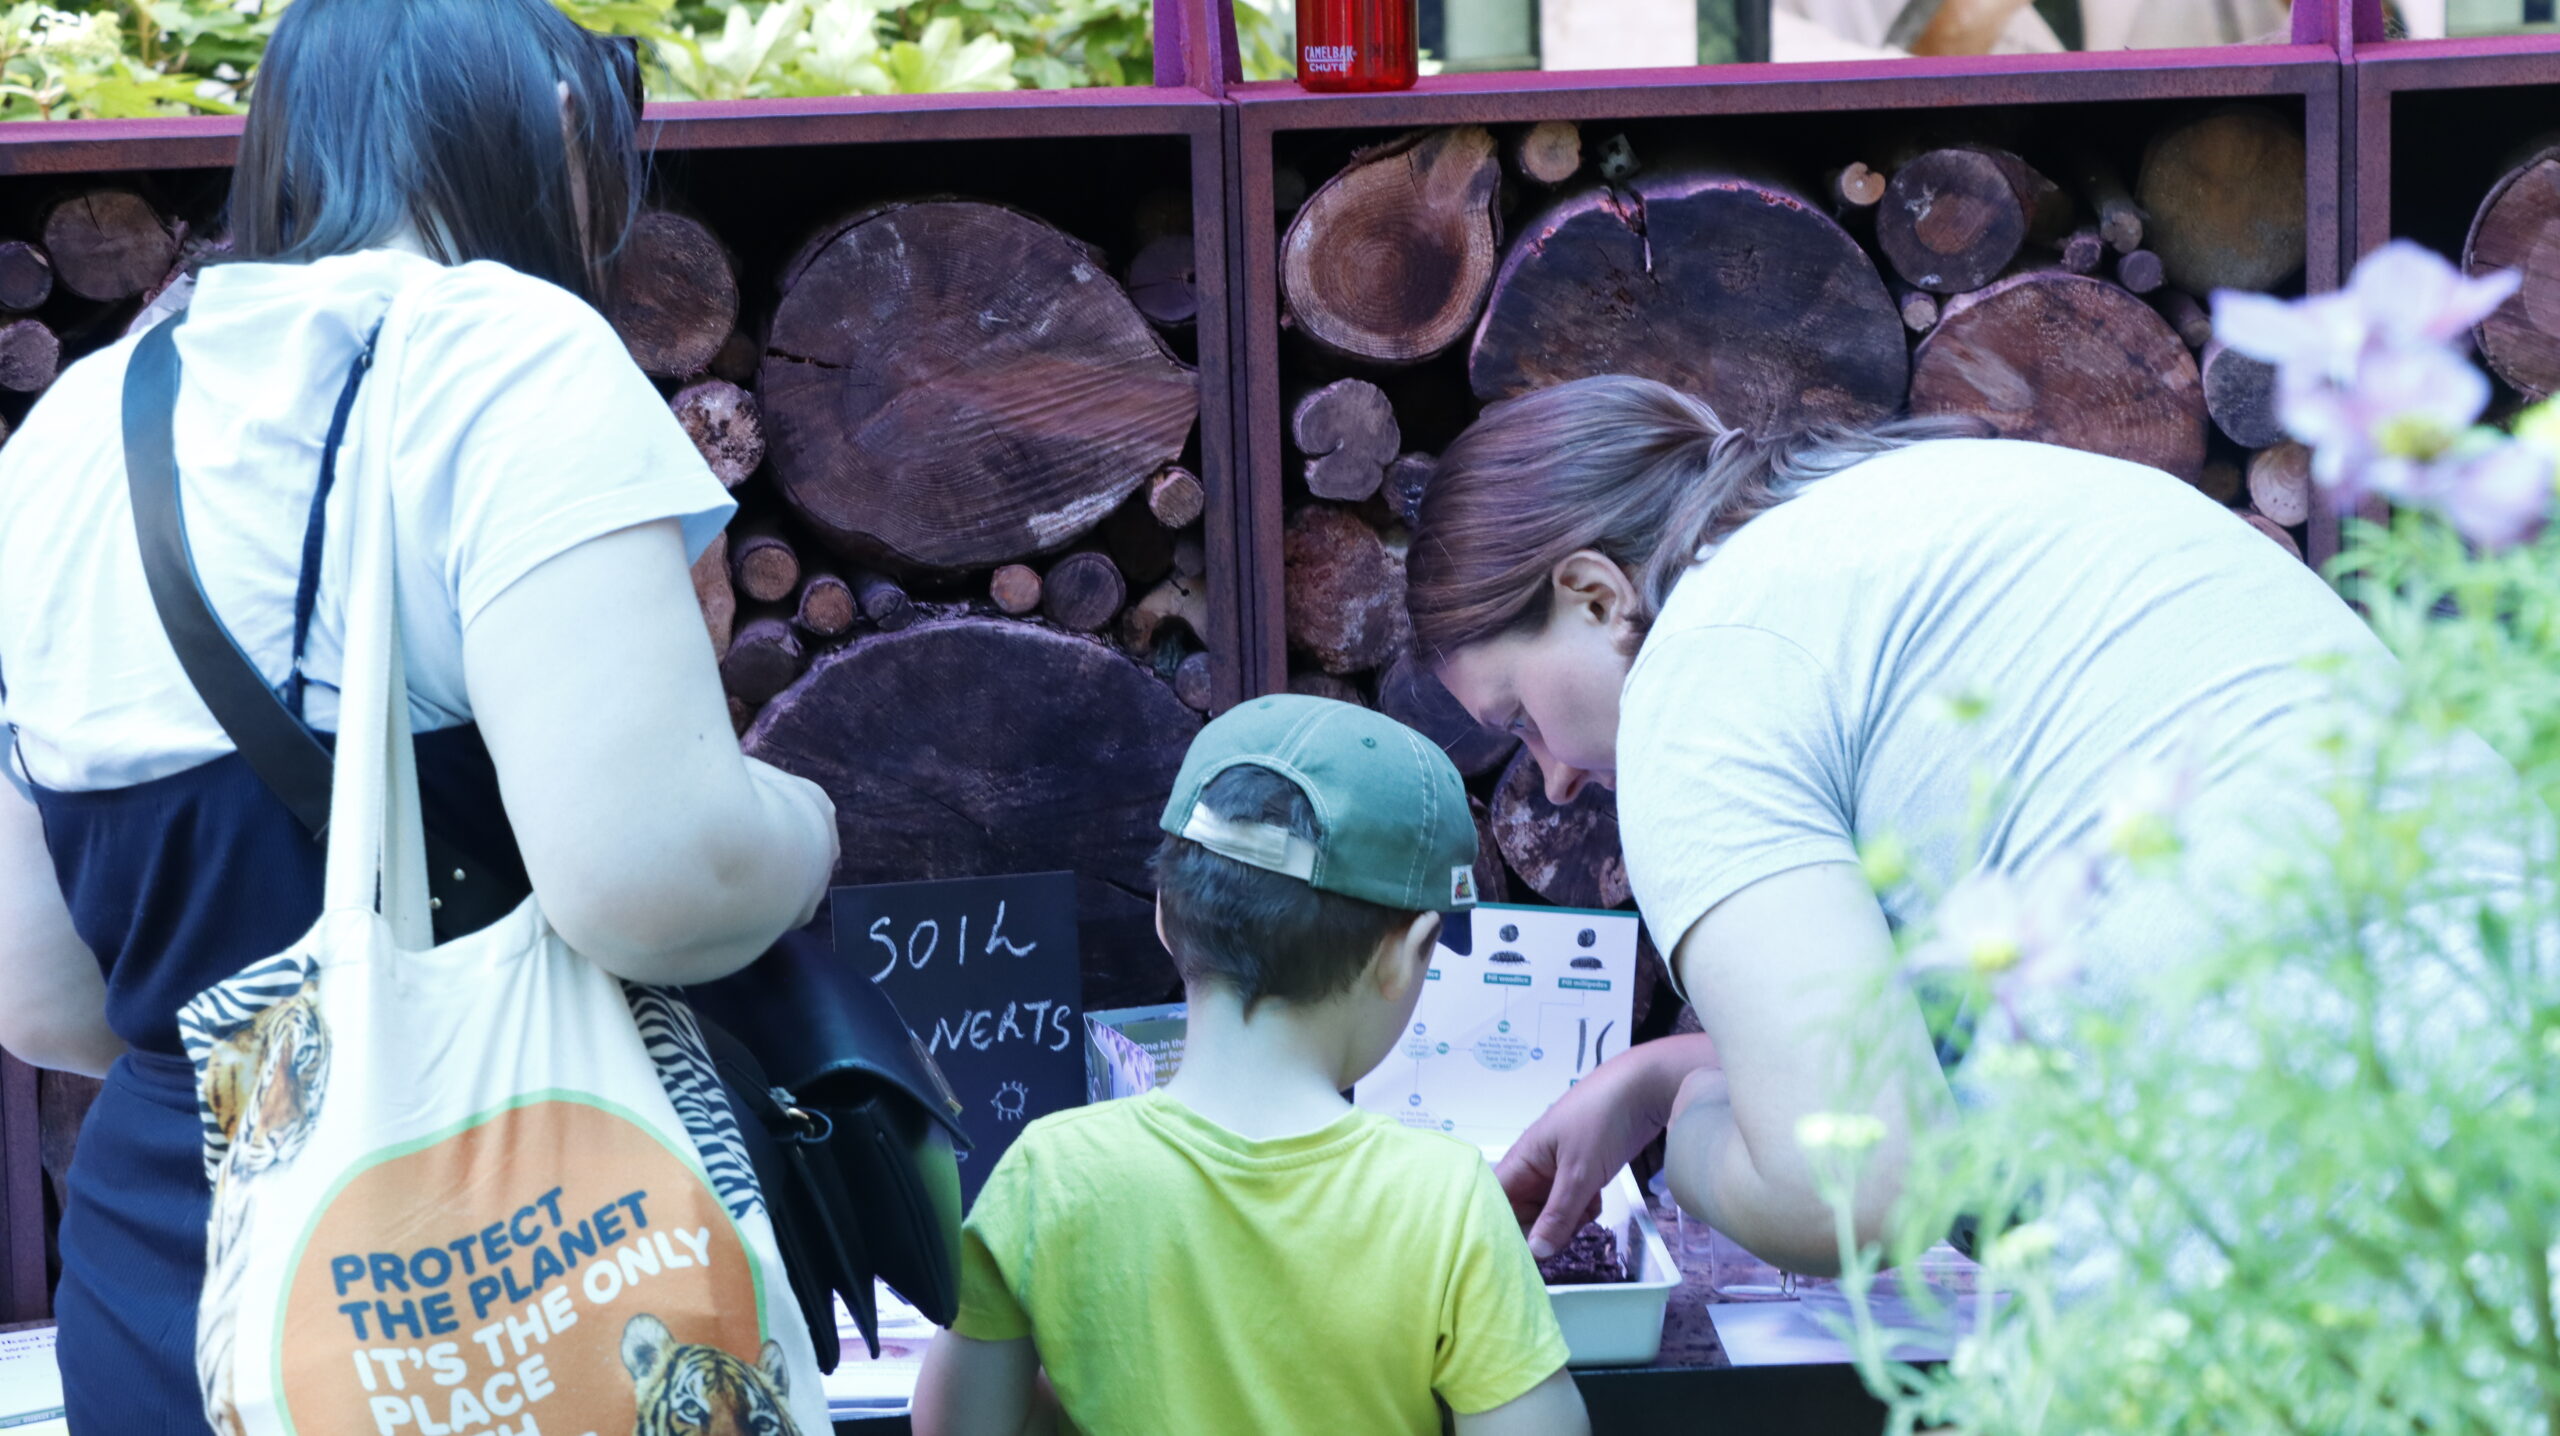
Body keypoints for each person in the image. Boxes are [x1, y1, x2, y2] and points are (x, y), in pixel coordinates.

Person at [0, 1, 838, 1427]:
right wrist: (804, 827)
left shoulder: (67, 431)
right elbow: (655, 879)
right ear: (563, 128)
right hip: (519, 1278)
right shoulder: (505, 355)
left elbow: (39, 984)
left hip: (176, 1290)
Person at [1409, 374, 2422, 1276]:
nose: (1548, 782)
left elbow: (1854, 1192)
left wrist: (1690, 1132)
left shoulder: (1699, 667)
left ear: (1593, 594)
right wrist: (1663, 1068)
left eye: (1521, 718)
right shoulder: (1943, 503)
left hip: (2315, 1226)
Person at [913, 696, 1589, 1436]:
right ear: (1404, 954)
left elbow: (956, 1426)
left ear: (1165, 915)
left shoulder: (1047, 1172)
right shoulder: (1447, 1199)